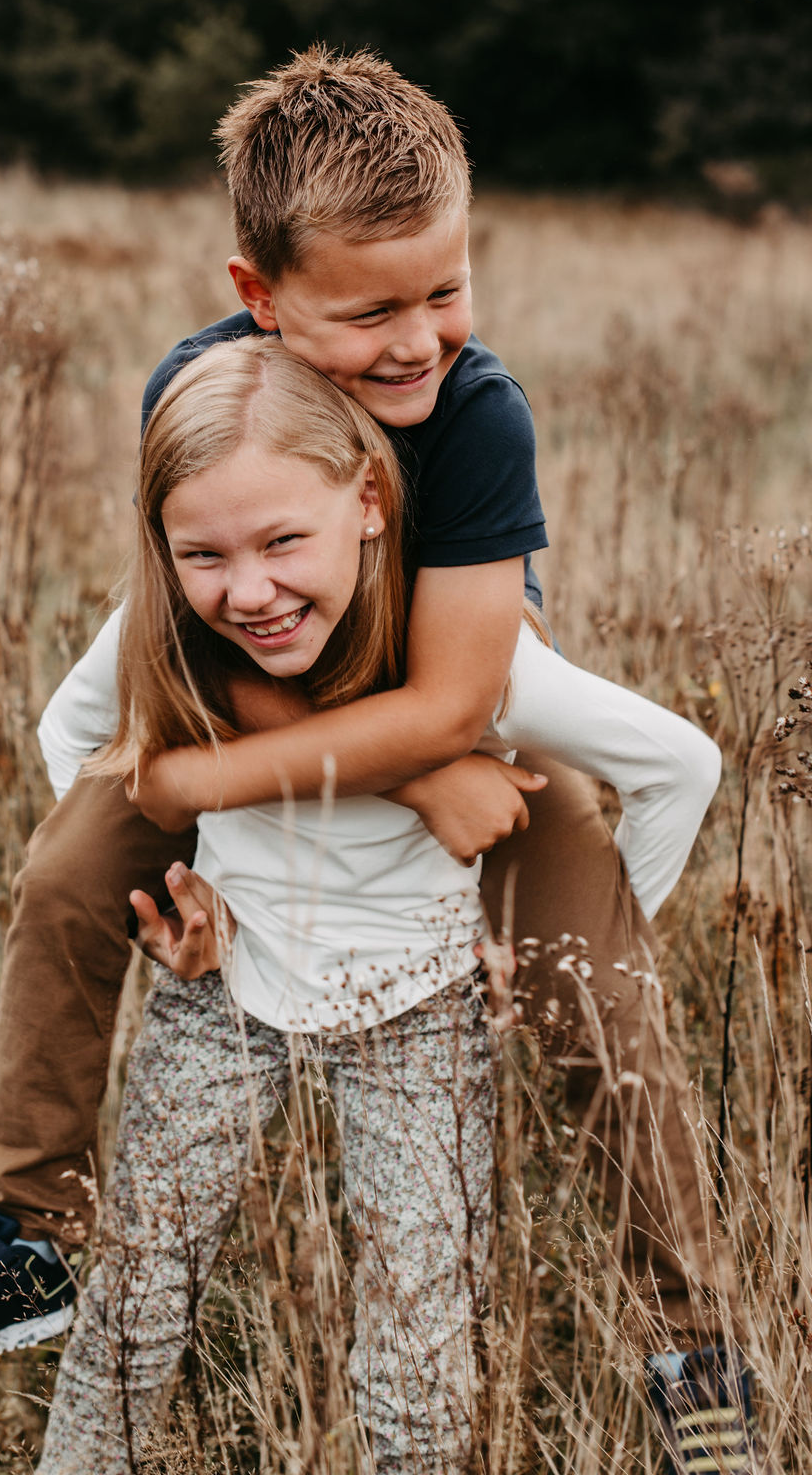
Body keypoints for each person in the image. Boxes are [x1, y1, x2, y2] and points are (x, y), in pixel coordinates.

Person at [0, 45, 757, 1472]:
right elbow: (170, 664)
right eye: (372, 309)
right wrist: (197, 858)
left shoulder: (472, 413)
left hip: (473, 714)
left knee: (612, 1014)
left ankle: (692, 1345)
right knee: (75, 860)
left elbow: (455, 709)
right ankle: (23, 1230)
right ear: (258, 301)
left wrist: (510, 931)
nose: (418, 339)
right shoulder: (209, 413)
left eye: (446, 291)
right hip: (261, 709)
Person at [36, 334, 721, 1474]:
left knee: (416, 1357)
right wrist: (172, 895)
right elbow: (73, 732)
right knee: (133, 1307)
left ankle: (700, 1355)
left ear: (365, 504)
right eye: (205, 554)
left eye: (282, 544)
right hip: (231, 994)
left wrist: (542, 966)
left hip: (419, 1008)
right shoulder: (187, 638)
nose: (247, 590)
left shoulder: (480, 658)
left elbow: (679, 769)